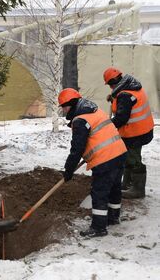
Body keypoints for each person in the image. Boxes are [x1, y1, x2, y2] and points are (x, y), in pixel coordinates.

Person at [58, 88, 127, 238]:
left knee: (99, 193)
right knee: (115, 188)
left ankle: (99, 227)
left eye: (63, 106)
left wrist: (68, 170)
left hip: (105, 159)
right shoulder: (95, 111)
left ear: (70, 104)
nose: (63, 110)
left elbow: (77, 149)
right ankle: (113, 217)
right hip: (120, 152)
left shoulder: (81, 121)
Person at [103, 67, 154, 199]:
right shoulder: (132, 86)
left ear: (111, 83)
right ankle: (127, 184)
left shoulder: (125, 95)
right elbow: (128, 102)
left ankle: (137, 190)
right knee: (129, 156)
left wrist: (108, 128)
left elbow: (121, 118)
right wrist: (114, 98)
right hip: (143, 129)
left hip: (135, 133)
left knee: (133, 159)